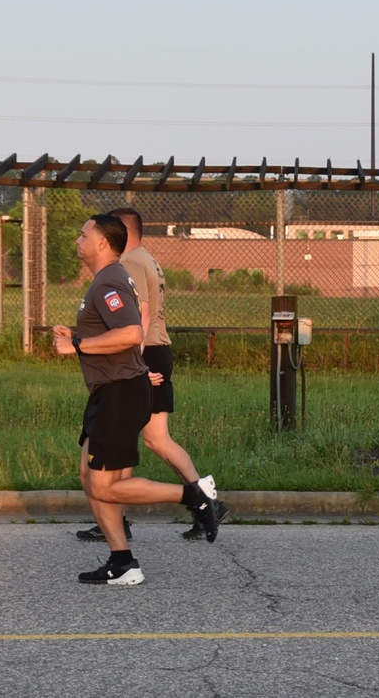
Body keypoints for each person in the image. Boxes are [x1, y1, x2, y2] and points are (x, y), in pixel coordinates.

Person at [53, 214, 220, 586]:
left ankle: (194, 496)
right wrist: (78, 332)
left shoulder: (110, 279)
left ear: (101, 243)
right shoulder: (107, 278)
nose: (77, 240)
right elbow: (122, 330)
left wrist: (76, 344)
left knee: (104, 485)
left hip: (120, 392)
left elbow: (130, 332)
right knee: (88, 476)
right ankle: (122, 561)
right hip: (111, 389)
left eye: (83, 234)